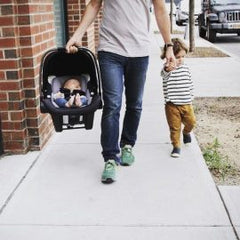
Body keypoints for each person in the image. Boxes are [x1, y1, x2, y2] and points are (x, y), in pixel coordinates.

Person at [66, 0, 176, 183]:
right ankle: (110, 157)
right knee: (113, 105)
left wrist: (169, 45)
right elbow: (94, 5)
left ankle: (127, 145)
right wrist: (78, 34)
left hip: (139, 52)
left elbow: (160, 9)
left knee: (135, 104)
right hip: (110, 50)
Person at [161, 38, 196, 158]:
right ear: (170, 56)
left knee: (191, 122)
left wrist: (191, 96)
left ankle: (186, 132)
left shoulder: (186, 68)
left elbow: (190, 83)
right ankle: (176, 146)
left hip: (187, 103)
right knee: (175, 128)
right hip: (172, 105)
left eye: (183, 56)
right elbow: (164, 75)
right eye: (178, 57)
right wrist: (167, 69)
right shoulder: (168, 69)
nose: (181, 60)